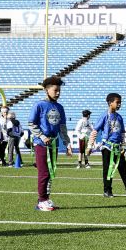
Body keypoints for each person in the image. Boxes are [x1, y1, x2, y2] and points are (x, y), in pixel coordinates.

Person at [27, 76, 75, 211]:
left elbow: (62, 127)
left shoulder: (60, 107)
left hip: (54, 144)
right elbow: (31, 124)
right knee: (44, 173)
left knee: (50, 172)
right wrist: (42, 136)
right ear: (46, 90)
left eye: (59, 90)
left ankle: (46, 199)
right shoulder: (39, 105)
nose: (58, 93)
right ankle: (41, 200)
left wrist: (67, 143)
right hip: (41, 143)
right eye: (55, 90)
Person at [90, 92, 126, 199]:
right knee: (108, 170)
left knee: (123, 168)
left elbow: (122, 133)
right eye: (117, 102)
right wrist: (90, 146)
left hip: (117, 148)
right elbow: (95, 130)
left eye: (120, 102)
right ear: (110, 103)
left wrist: (123, 146)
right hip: (107, 147)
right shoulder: (104, 116)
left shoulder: (119, 117)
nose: (119, 104)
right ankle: (107, 191)